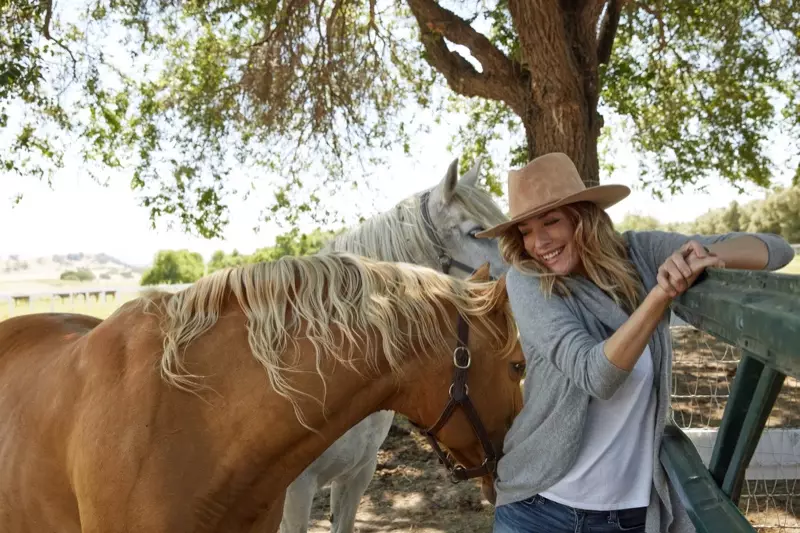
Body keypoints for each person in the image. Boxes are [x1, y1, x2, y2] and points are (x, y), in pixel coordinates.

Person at [474, 152, 795, 533]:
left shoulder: (639, 253)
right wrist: (660, 296)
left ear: (582, 216)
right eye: (525, 230)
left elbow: (776, 250)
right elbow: (597, 375)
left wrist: (701, 257)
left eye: (551, 221)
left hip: (626, 518)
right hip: (540, 509)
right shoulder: (527, 281)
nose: (538, 242)